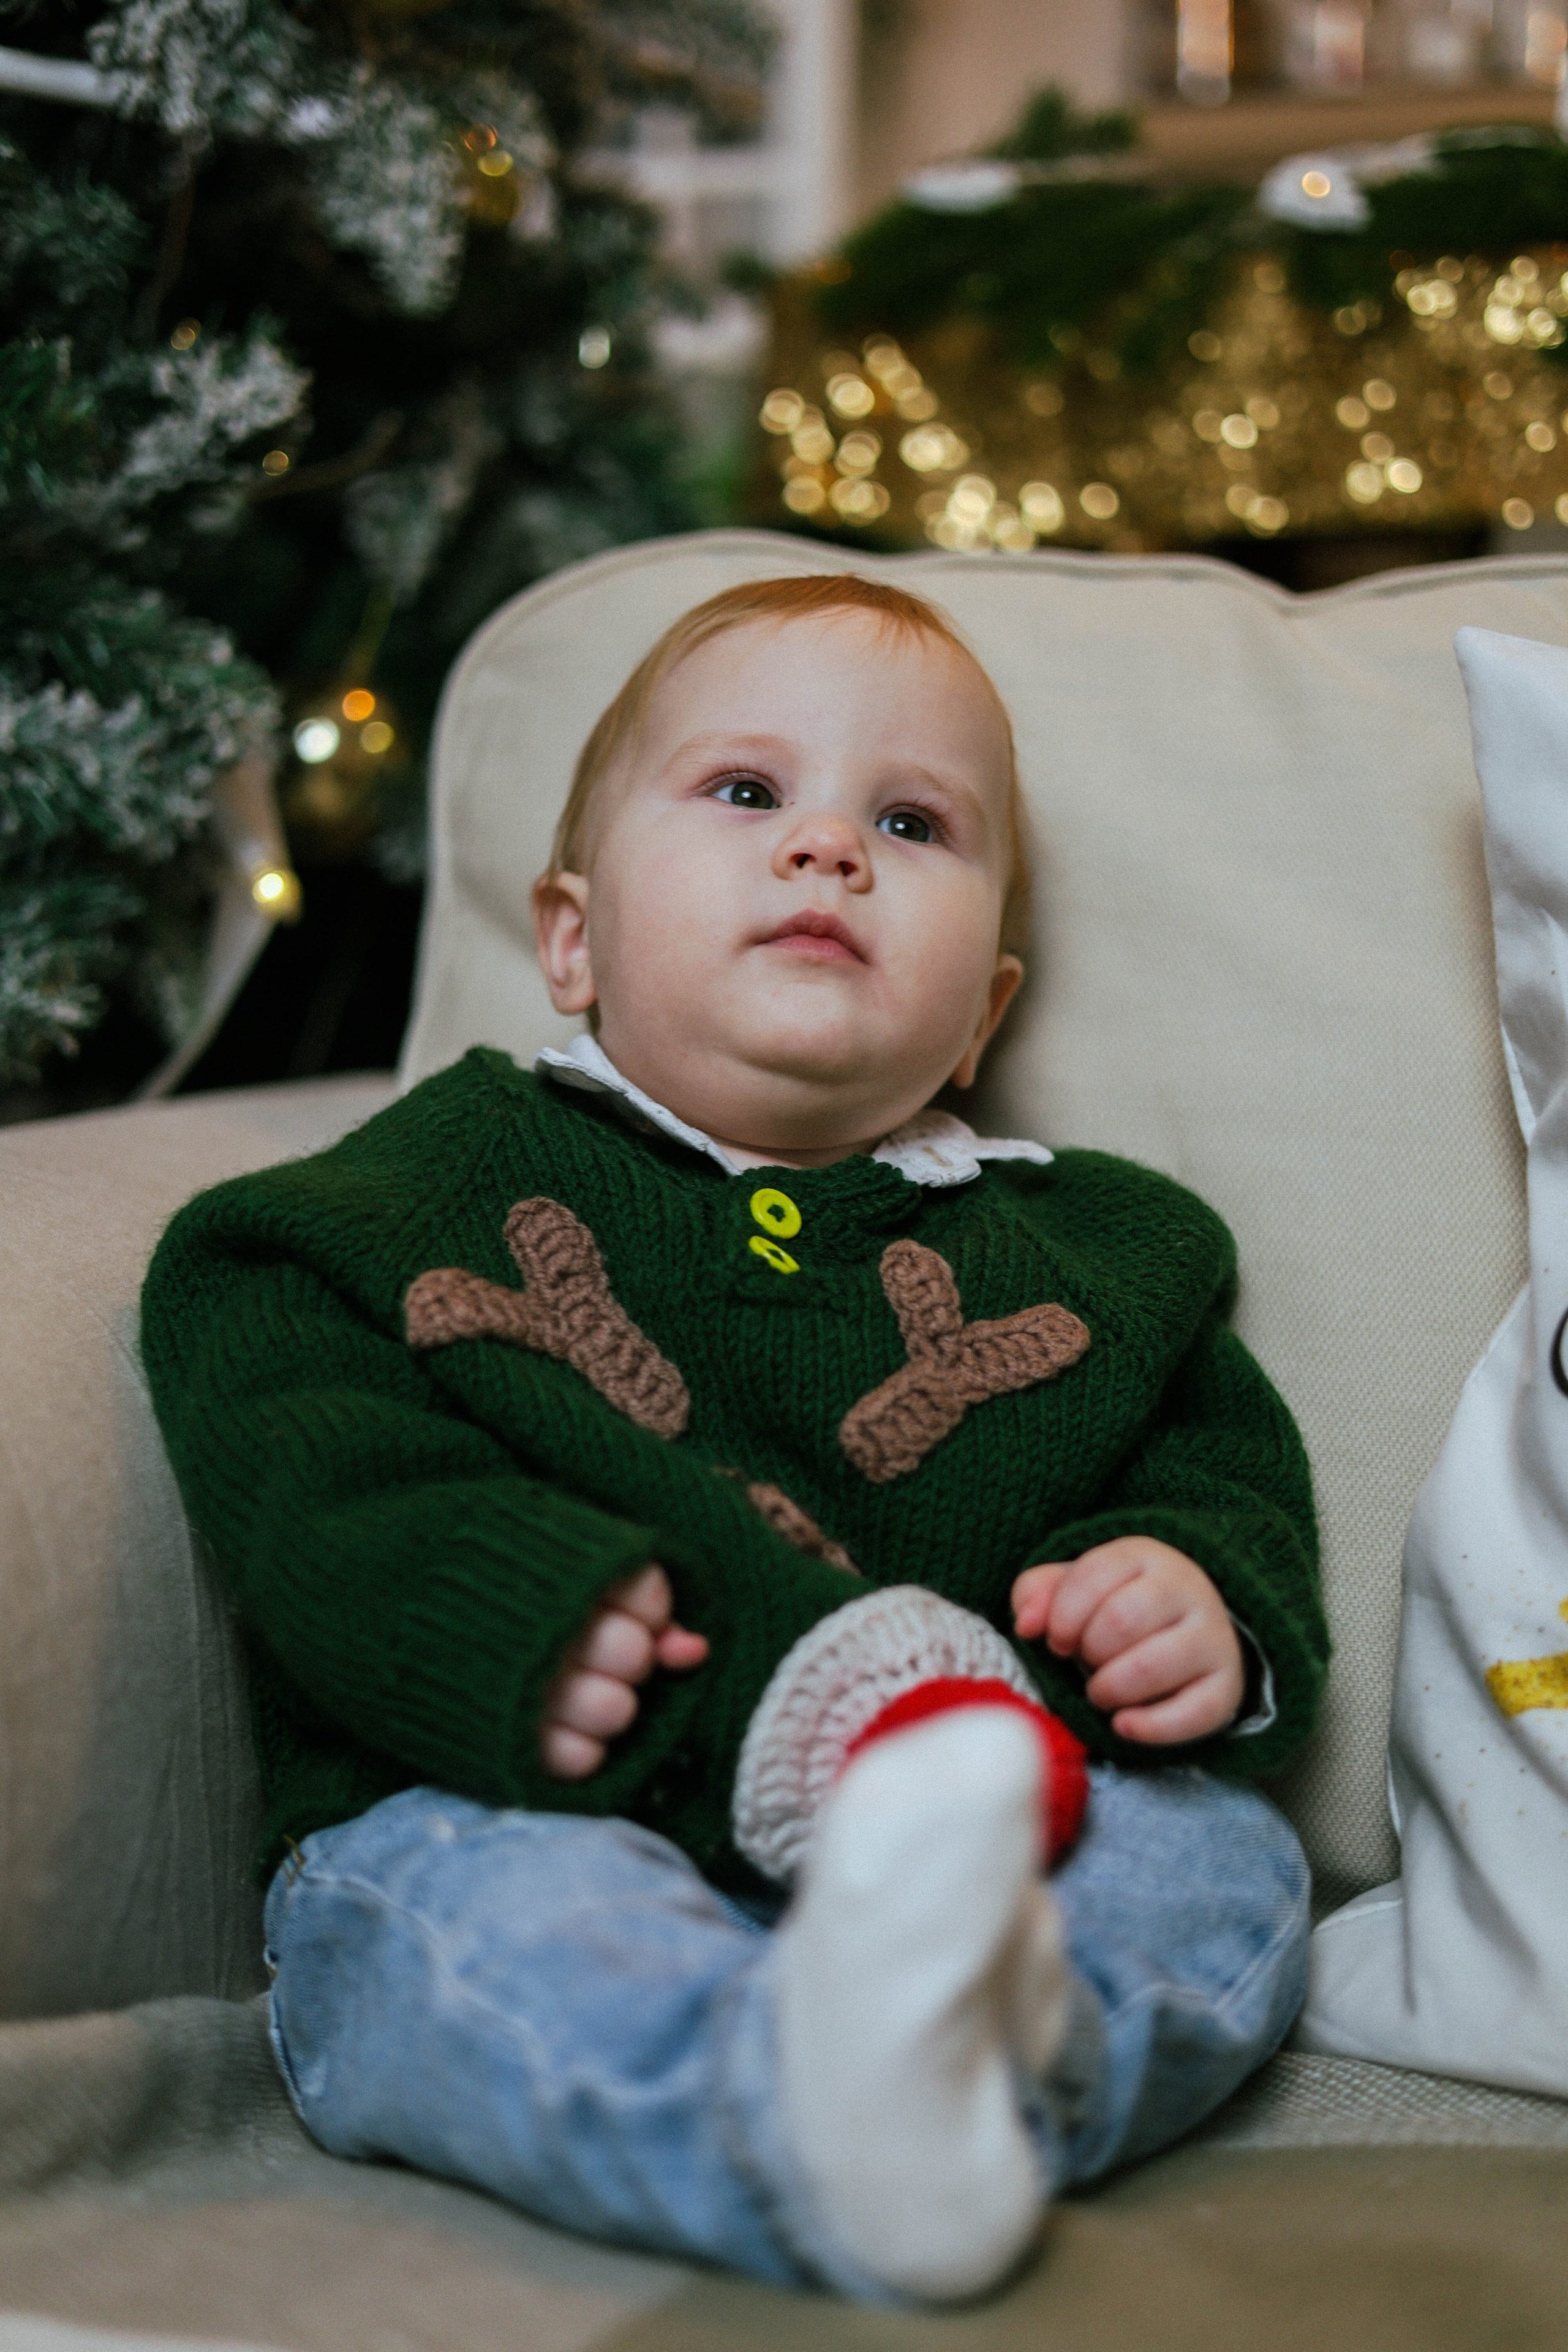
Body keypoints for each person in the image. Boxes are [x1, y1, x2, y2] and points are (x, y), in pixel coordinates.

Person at [141, 573, 1328, 2305]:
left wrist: (1193, 1592)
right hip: (537, 1809)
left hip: (987, 1841)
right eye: (749, 793)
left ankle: (944, 2063)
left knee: (1223, 1865)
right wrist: (501, 1603)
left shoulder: (1105, 1252)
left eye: (909, 822)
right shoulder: (423, 1192)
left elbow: (1214, 1466)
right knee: (446, 1930)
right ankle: (800, 2116)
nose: (828, 849)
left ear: (983, 1012)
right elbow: (257, 1351)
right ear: (574, 937)